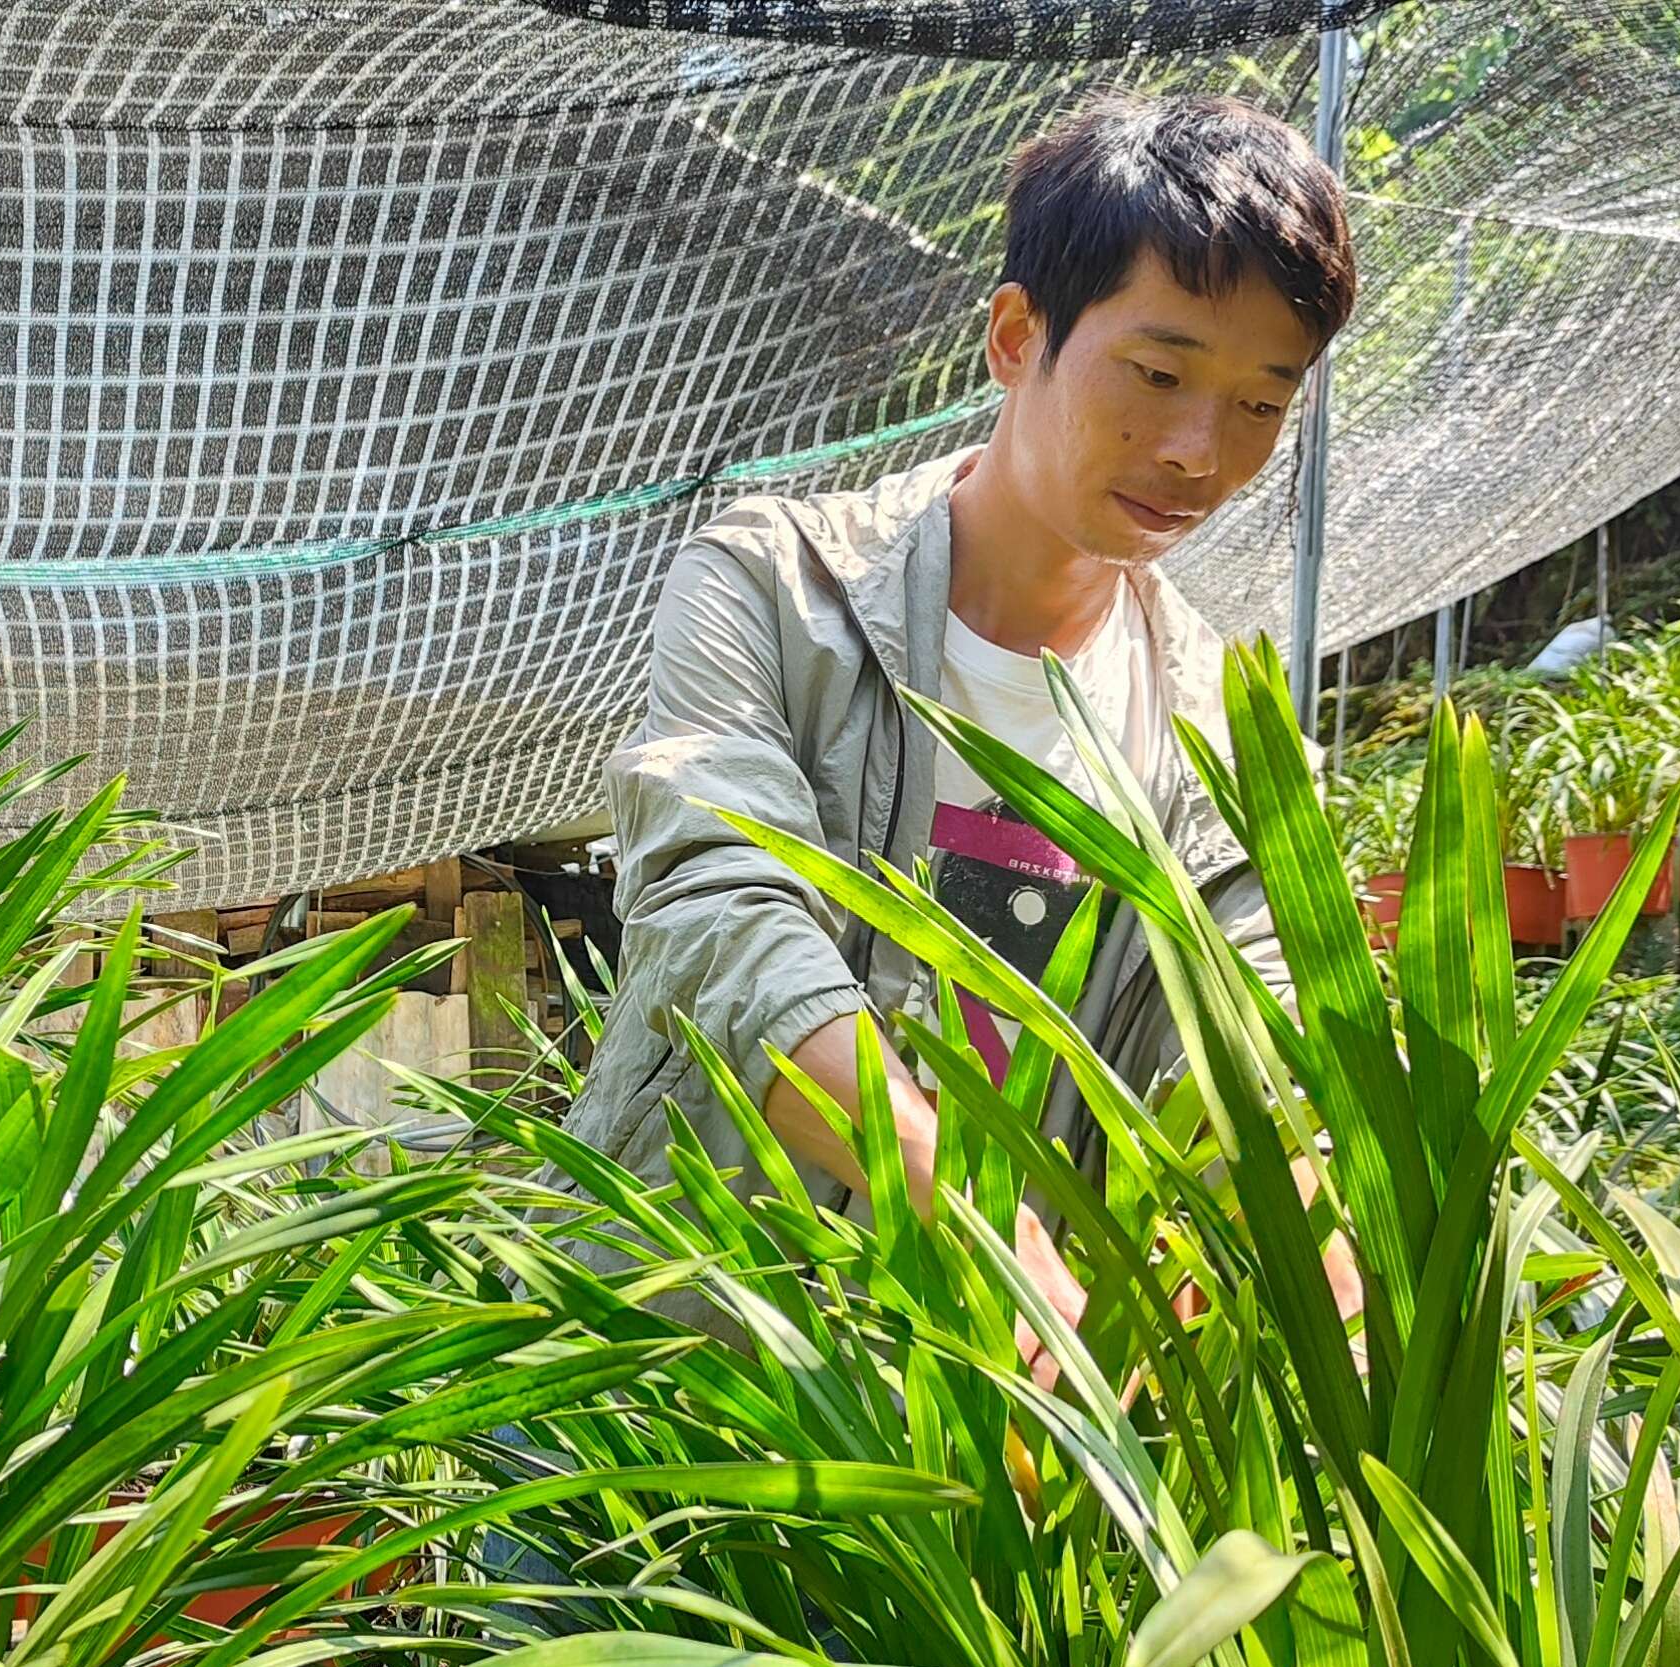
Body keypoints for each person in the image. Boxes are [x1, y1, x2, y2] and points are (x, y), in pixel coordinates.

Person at [558, 93, 1367, 1345]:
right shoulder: (778, 587)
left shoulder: (1220, 730)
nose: (1200, 451)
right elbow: (718, 906)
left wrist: (1321, 1246)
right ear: (1011, 336)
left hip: (981, 1438)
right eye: (1157, 374)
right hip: (673, 1355)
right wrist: (946, 1196)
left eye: (1262, 405)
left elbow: (1246, 1043)